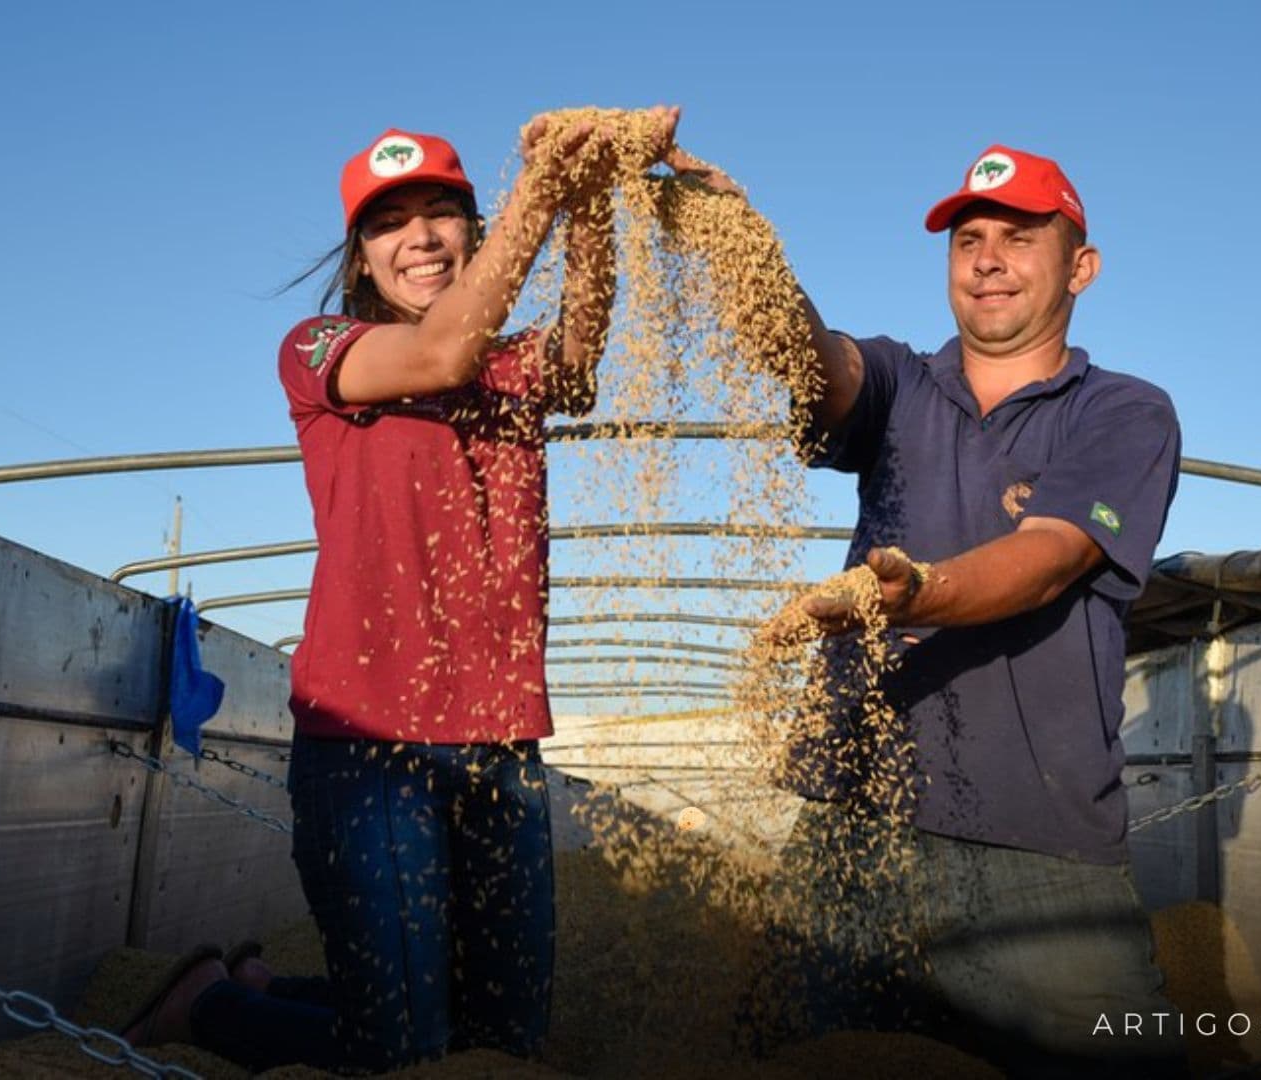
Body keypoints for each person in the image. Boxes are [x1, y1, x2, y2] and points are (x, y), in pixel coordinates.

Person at [122, 107, 678, 1072]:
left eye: (441, 213)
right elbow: (436, 357)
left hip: (501, 745)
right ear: (362, 258)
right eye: (390, 223)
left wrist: (592, 191)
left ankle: (259, 991)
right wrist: (544, 181)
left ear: (473, 229)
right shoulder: (321, 348)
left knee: (500, 1042)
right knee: (407, 1057)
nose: (419, 237)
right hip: (370, 752)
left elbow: (583, 356)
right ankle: (209, 1007)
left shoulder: (514, 364)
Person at [702, 144, 1189, 1075]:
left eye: (1018, 237)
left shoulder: (1124, 412)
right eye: (969, 240)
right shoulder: (900, 384)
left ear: (1081, 267)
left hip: (1033, 844)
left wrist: (916, 591)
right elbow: (816, 362)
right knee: (794, 1053)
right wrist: (744, 247)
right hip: (854, 823)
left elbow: (1049, 559)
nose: (988, 259)